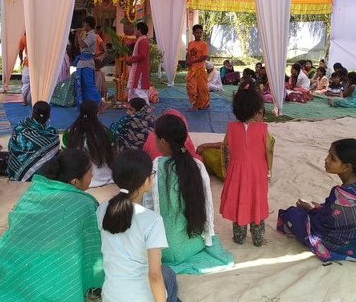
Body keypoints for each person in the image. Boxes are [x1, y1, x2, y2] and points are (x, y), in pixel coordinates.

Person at [0, 149, 104, 301]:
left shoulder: (35, 190)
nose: (92, 176)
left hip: (16, 269)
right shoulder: (84, 204)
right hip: (53, 272)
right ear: (75, 182)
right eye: (90, 172)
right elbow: (93, 247)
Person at [145, 114, 234, 274]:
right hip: (192, 245)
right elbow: (207, 208)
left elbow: (147, 208)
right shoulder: (197, 166)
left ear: (162, 142)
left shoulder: (155, 167)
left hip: (161, 251)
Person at [98, 150, 180, 302]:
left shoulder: (102, 208)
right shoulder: (152, 220)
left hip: (110, 296)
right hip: (142, 297)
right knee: (167, 274)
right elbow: (154, 276)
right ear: (145, 181)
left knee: (167, 272)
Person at [219, 82, 273, 247]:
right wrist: (269, 168)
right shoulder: (262, 128)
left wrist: (228, 164)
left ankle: (239, 237)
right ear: (257, 110)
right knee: (257, 200)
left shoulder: (231, 127)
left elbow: (225, 146)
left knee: (238, 200)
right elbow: (269, 150)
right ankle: (258, 239)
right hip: (257, 171)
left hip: (236, 170)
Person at [62, 100, 114, 187]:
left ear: (80, 113)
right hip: (103, 177)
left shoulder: (69, 132)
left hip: (78, 178)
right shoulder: (105, 132)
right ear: (97, 113)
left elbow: (64, 154)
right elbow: (112, 154)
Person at [7, 101, 59, 182]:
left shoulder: (19, 127)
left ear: (33, 113)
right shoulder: (52, 133)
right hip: (39, 174)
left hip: (15, 171)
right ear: (49, 115)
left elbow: (11, 147)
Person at [74, 16, 102, 107]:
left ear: (88, 24)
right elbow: (77, 44)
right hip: (82, 62)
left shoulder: (92, 36)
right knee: (83, 85)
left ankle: (100, 103)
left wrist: (78, 34)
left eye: (84, 24)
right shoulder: (87, 34)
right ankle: (86, 105)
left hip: (87, 64)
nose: (83, 26)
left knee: (89, 85)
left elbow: (82, 45)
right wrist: (77, 35)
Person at [185, 24, 210, 111]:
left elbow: (204, 57)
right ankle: (195, 105)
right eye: (197, 32)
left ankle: (205, 103)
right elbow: (188, 54)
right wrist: (187, 61)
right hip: (192, 70)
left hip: (200, 70)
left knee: (203, 88)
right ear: (193, 33)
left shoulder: (204, 44)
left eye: (200, 33)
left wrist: (192, 61)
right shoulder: (190, 43)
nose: (199, 34)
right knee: (192, 88)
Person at [127, 22, 151, 104]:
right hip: (139, 68)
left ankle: (145, 107)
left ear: (139, 30)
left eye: (135, 29)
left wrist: (131, 59)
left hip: (141, 70)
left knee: (139, 90)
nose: (134, 31)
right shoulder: (141, 40)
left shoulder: (143, 41)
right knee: (136, 90)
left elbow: (142, 55)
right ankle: (136, 108)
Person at [18, 32, 30, 106]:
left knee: (26, 83)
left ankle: (24, 100)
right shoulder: (40, 36)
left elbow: (20, 51)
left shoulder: (24, 38)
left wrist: (21, 60)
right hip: (36, 64)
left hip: (28, 64)